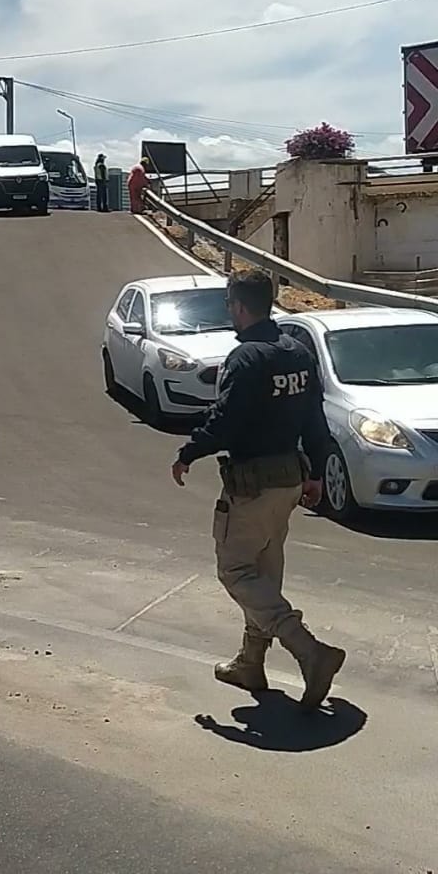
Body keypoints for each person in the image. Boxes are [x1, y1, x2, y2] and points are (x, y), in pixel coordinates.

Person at [171, 269, 345, 710]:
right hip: (289, 480)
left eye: (230, 305)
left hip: (252, 486)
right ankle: (251, 662)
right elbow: (314, 419)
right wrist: (317, 474)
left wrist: (190, 451)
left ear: (239, 306)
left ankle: (309, 651)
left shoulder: (246, 358)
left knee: (237, 572)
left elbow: (226, 418)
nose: (229, 312)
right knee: (264, 574)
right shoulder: (297, 353)